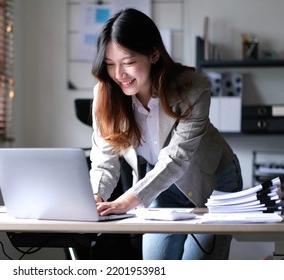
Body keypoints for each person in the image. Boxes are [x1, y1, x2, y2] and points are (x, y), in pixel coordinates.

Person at [89, 8, 243, 260]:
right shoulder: (105, 94)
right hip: (161, 186)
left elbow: (176, 158)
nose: (119, 75)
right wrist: (95, 197)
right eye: (109, 65)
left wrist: (127, 200)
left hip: (213, 182)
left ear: (153, 54)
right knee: (155, 266)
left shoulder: (193, 88)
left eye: (128, 63)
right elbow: (104, 161)